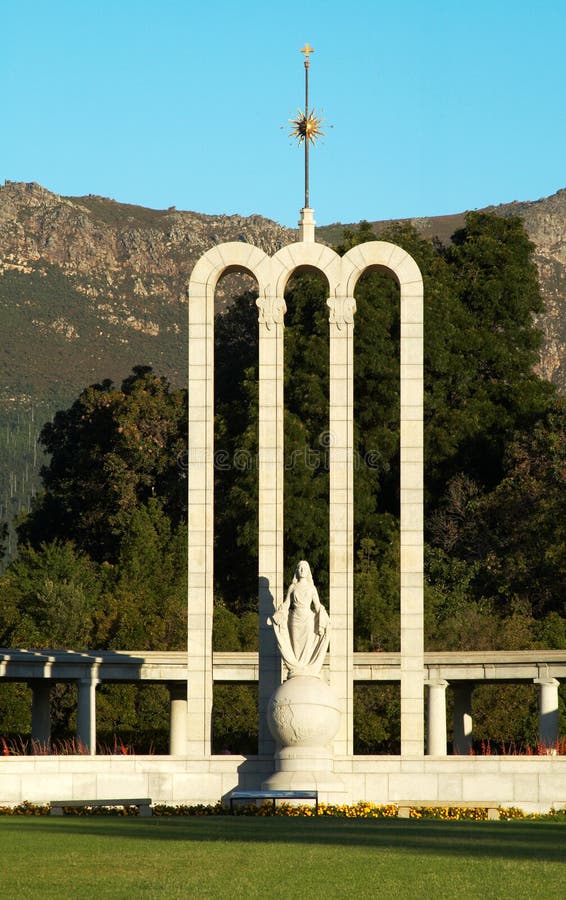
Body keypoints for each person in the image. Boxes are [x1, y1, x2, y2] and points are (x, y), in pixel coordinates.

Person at [269, 560, 330, 677]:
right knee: (296, 644)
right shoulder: (292, 587)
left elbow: (317, 606)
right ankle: (297, 668)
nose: (302, 570)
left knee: (307, 644)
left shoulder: (312, 588)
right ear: (297, 571)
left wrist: (324, 615)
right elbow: (287, 604)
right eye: (300, 568)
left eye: (304, 568)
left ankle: (304, 667)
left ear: (308, 572)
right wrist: (280, 612)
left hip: (307, 618)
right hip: (294, 618)